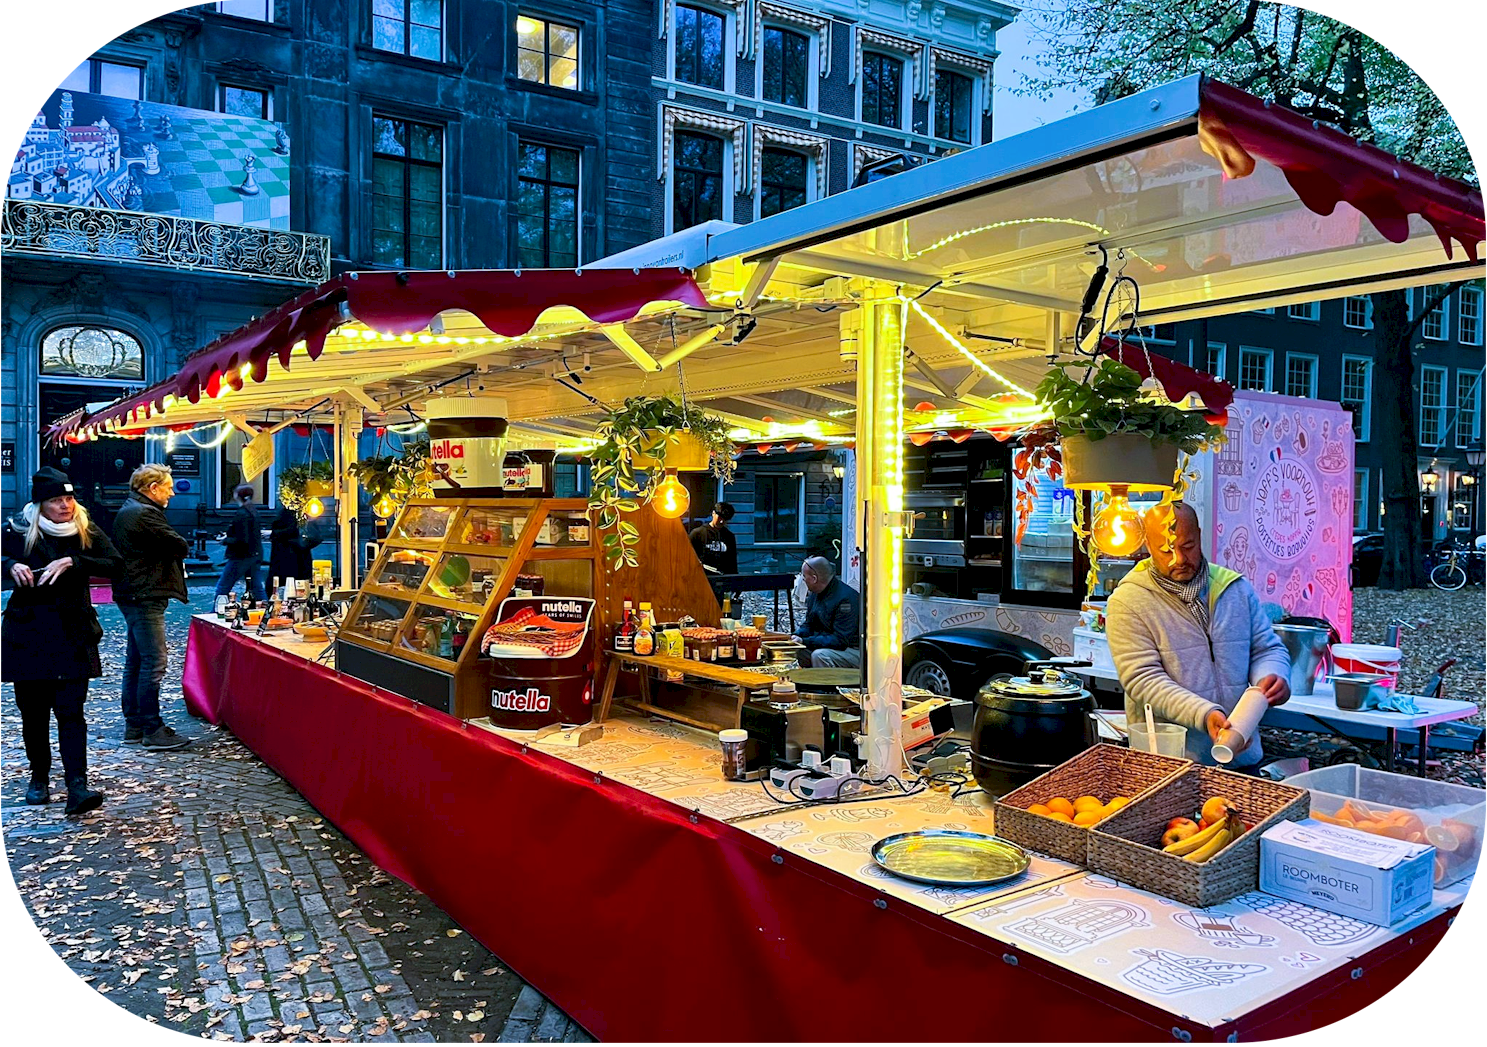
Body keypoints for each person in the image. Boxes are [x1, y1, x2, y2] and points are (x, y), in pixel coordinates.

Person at [1105, 501, 1291, 768]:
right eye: (1166, 549)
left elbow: (1267, 649)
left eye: (1188, 546)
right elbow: (1142, 679)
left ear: (1200, 535)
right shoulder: (1128, 601)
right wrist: (1204, 714)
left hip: (1242, 756)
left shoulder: (1234, 588)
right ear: (1147, 545)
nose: (1179, 559)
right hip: (1169, 761)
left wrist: (1273, 676)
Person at [2, 468, 123, 813]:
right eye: (57, 500)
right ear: (41, 504)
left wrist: (75, 561)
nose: (65, 505)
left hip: (73, 632)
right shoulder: (18, 529)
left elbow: (116, 564)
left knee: (72, 712)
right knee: (34, 713)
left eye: (69, 498)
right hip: (27, 634)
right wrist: (10, 564)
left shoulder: (85, 529)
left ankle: (77, 785)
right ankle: (39, 776)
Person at [113, 464, 192, 751]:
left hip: (135, 592)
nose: (172, 491)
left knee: (136, 660)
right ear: (153, 488)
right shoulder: (144, 513)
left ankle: (135, 723)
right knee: (153, 662)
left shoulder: (133, 509)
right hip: (144, 593)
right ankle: (151, 727)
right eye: (168, 486)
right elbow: (179, 544)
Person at [789, 556, 861, 669]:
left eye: (804, 576)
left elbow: (840, 640)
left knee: (820, 656)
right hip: (831, 644)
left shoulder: (846, 599)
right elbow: (809, 624)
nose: (803, 580)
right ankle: (807, 685)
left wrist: (805, 641)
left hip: (853, 649)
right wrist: (795, 636)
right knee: (798, 651)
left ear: (814, 579)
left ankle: (824, 686)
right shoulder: (815, 594)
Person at [216, 483, 266, 602]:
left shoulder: (242, 514)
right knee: (257, 587)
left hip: (241, 556)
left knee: (223, 586)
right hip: (254, 554)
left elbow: (242, 539)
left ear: (238, 495)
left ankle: (216, 611)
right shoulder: (253, 511)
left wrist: (225, 540)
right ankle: (268, 612)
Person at [268, 500, 321, 589]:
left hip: (286, 560)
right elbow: (315, 537)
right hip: (298, 561)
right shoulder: (298, 516)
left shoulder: (285, 516)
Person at [689, 502, 738, 574]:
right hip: (702, 578)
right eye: (720, 517)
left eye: (725, 519)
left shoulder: (729, 537)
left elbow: (732, 563)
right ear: (713, 513)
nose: (721, 521)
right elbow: (687, 557)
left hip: (723, 579)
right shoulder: (698, 533)